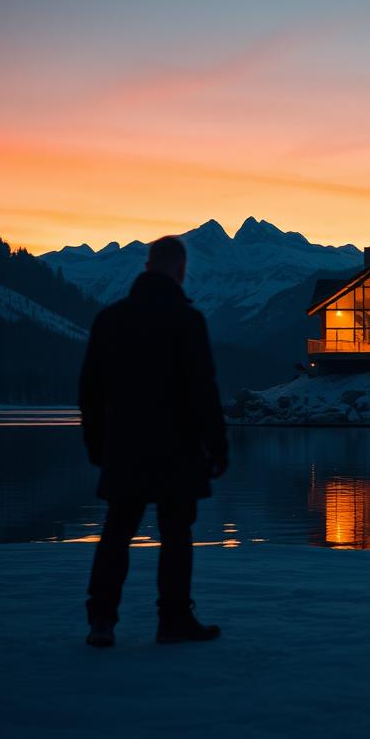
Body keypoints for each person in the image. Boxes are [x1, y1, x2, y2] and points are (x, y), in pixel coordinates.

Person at [78, 235, 229, 647]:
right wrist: (217, 446)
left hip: (124, 444)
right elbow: (204, 390)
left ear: (146, 268)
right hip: (178, 446)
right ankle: (174, 620)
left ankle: (102, 619)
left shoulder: (110, 319)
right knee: (177, 533)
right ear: (180, 271)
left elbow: (90, 390)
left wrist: (96, 443)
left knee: (117, 530)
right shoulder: (187, 321)